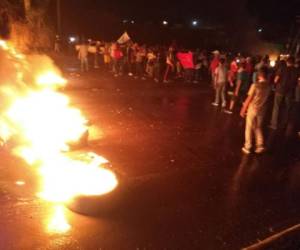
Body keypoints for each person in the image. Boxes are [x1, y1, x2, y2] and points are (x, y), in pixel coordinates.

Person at [240, 67, 271, 154]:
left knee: (249, 127)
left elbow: (249, 98)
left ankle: (247, 146)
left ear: (259, 75)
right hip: (262, 109)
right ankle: (260, 145)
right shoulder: (269, 86)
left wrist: (243, 109)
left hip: (253, 108)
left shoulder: (255, 85)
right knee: (258, 127)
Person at [269, 57, 299, 130]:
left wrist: (274, 85)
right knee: (287, 108)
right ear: (294, 62)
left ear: (287, 62)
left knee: (276, 107)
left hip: (280, 90)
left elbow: (276, 79)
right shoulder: (297, 70)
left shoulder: (282, 68)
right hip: (290, 91)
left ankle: (274, 124)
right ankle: (284, 124)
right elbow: (298, 82)